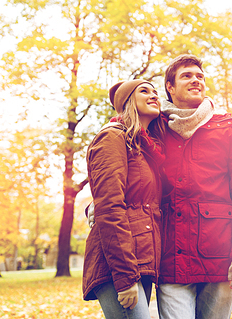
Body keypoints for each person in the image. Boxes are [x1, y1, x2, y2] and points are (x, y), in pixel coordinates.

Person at [157, 54, 232, 319]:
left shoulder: (227, 128)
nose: (196, 80)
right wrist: (100, 200)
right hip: (171, 260)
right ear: (170, 87)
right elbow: (129, 169)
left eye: (200, 76)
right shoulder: (154, 126)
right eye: (187, 76)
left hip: (220, 259)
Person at [82, 79, 165, 319]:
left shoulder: (144, 147)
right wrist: (125, 276)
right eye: (144, 91)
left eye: (156, 92)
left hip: (142, 259)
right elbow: (109, 207)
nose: (153, 96)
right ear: (128, 102)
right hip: (117, 264)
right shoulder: (112, 138)